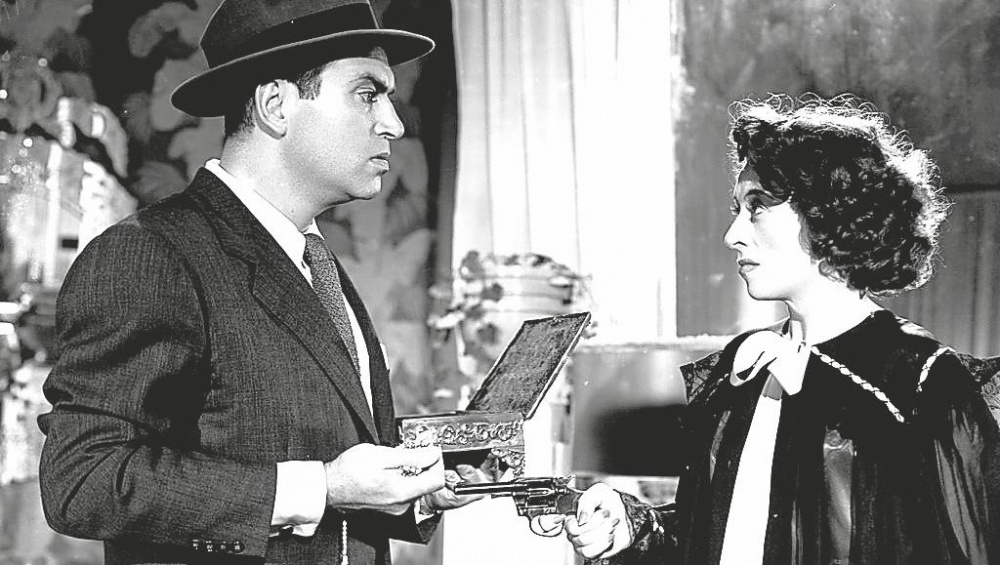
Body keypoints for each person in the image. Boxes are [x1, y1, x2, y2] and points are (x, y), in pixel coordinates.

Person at [37, 1, 488, 563]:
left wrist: (412, 494)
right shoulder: (152, 253)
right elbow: (84, 481)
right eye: (367, 93)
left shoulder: (312, 262)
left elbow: (322, 458)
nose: (394, 124)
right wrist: (322, 486)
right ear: (276, 105)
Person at [537, 94, 1000, 564]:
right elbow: (725, 534)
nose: (732, 235)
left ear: (828, 212)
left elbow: (956, 545)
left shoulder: (920, 373)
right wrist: (637, 527)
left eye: (757, 207)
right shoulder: (745, 363)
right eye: (737, 208)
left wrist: (817, 384)